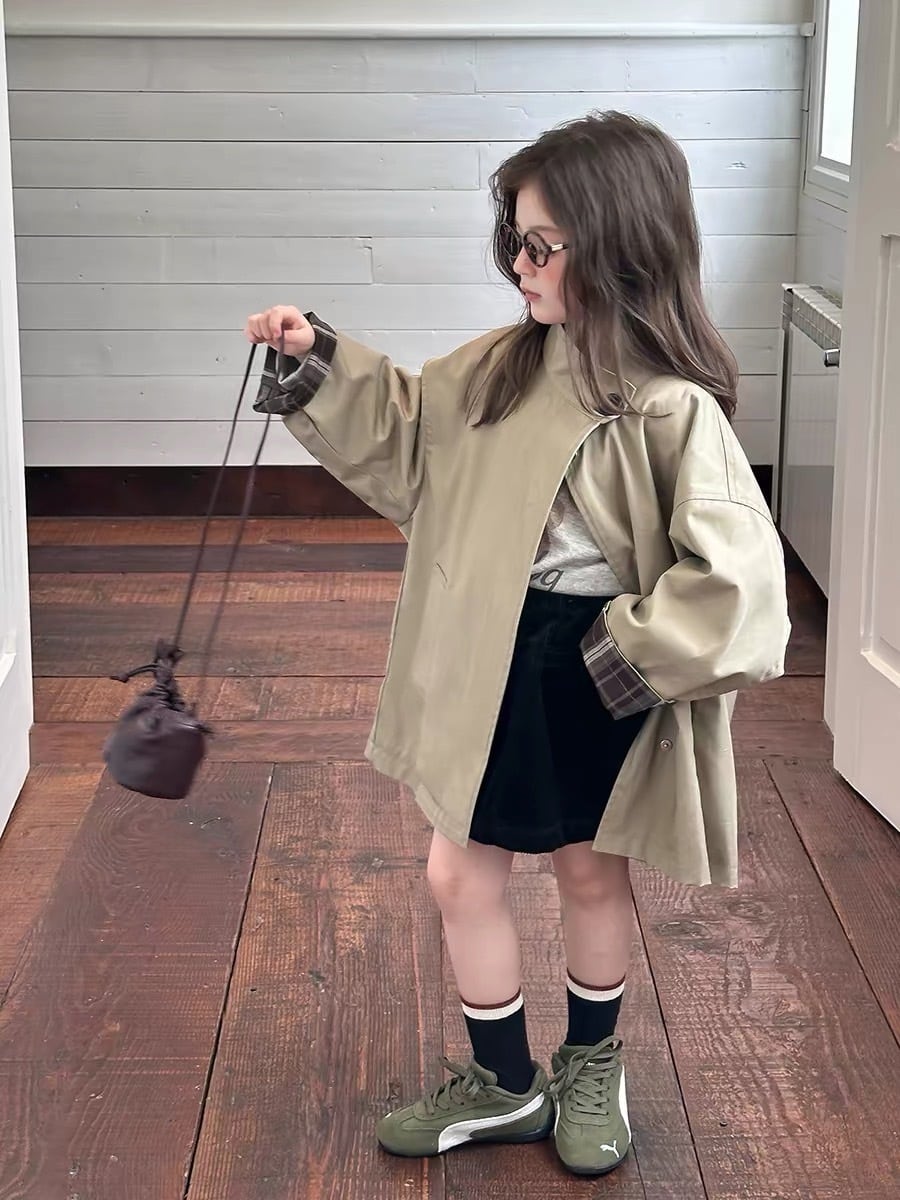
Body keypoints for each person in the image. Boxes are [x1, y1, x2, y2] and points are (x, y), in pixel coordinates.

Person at [244, 111, 790, 1178]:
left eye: (541, 245)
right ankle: (504, 1081)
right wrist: (318, 361)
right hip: (488, 657)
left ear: (619, 247)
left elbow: (742, 583)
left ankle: (592, 1064)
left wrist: (623, 655)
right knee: (460, 872)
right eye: (514, 241)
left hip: (598, 669)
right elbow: (410, 429)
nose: (519, 265)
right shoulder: (503, 365)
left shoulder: (671, 410)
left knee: (590, 873)